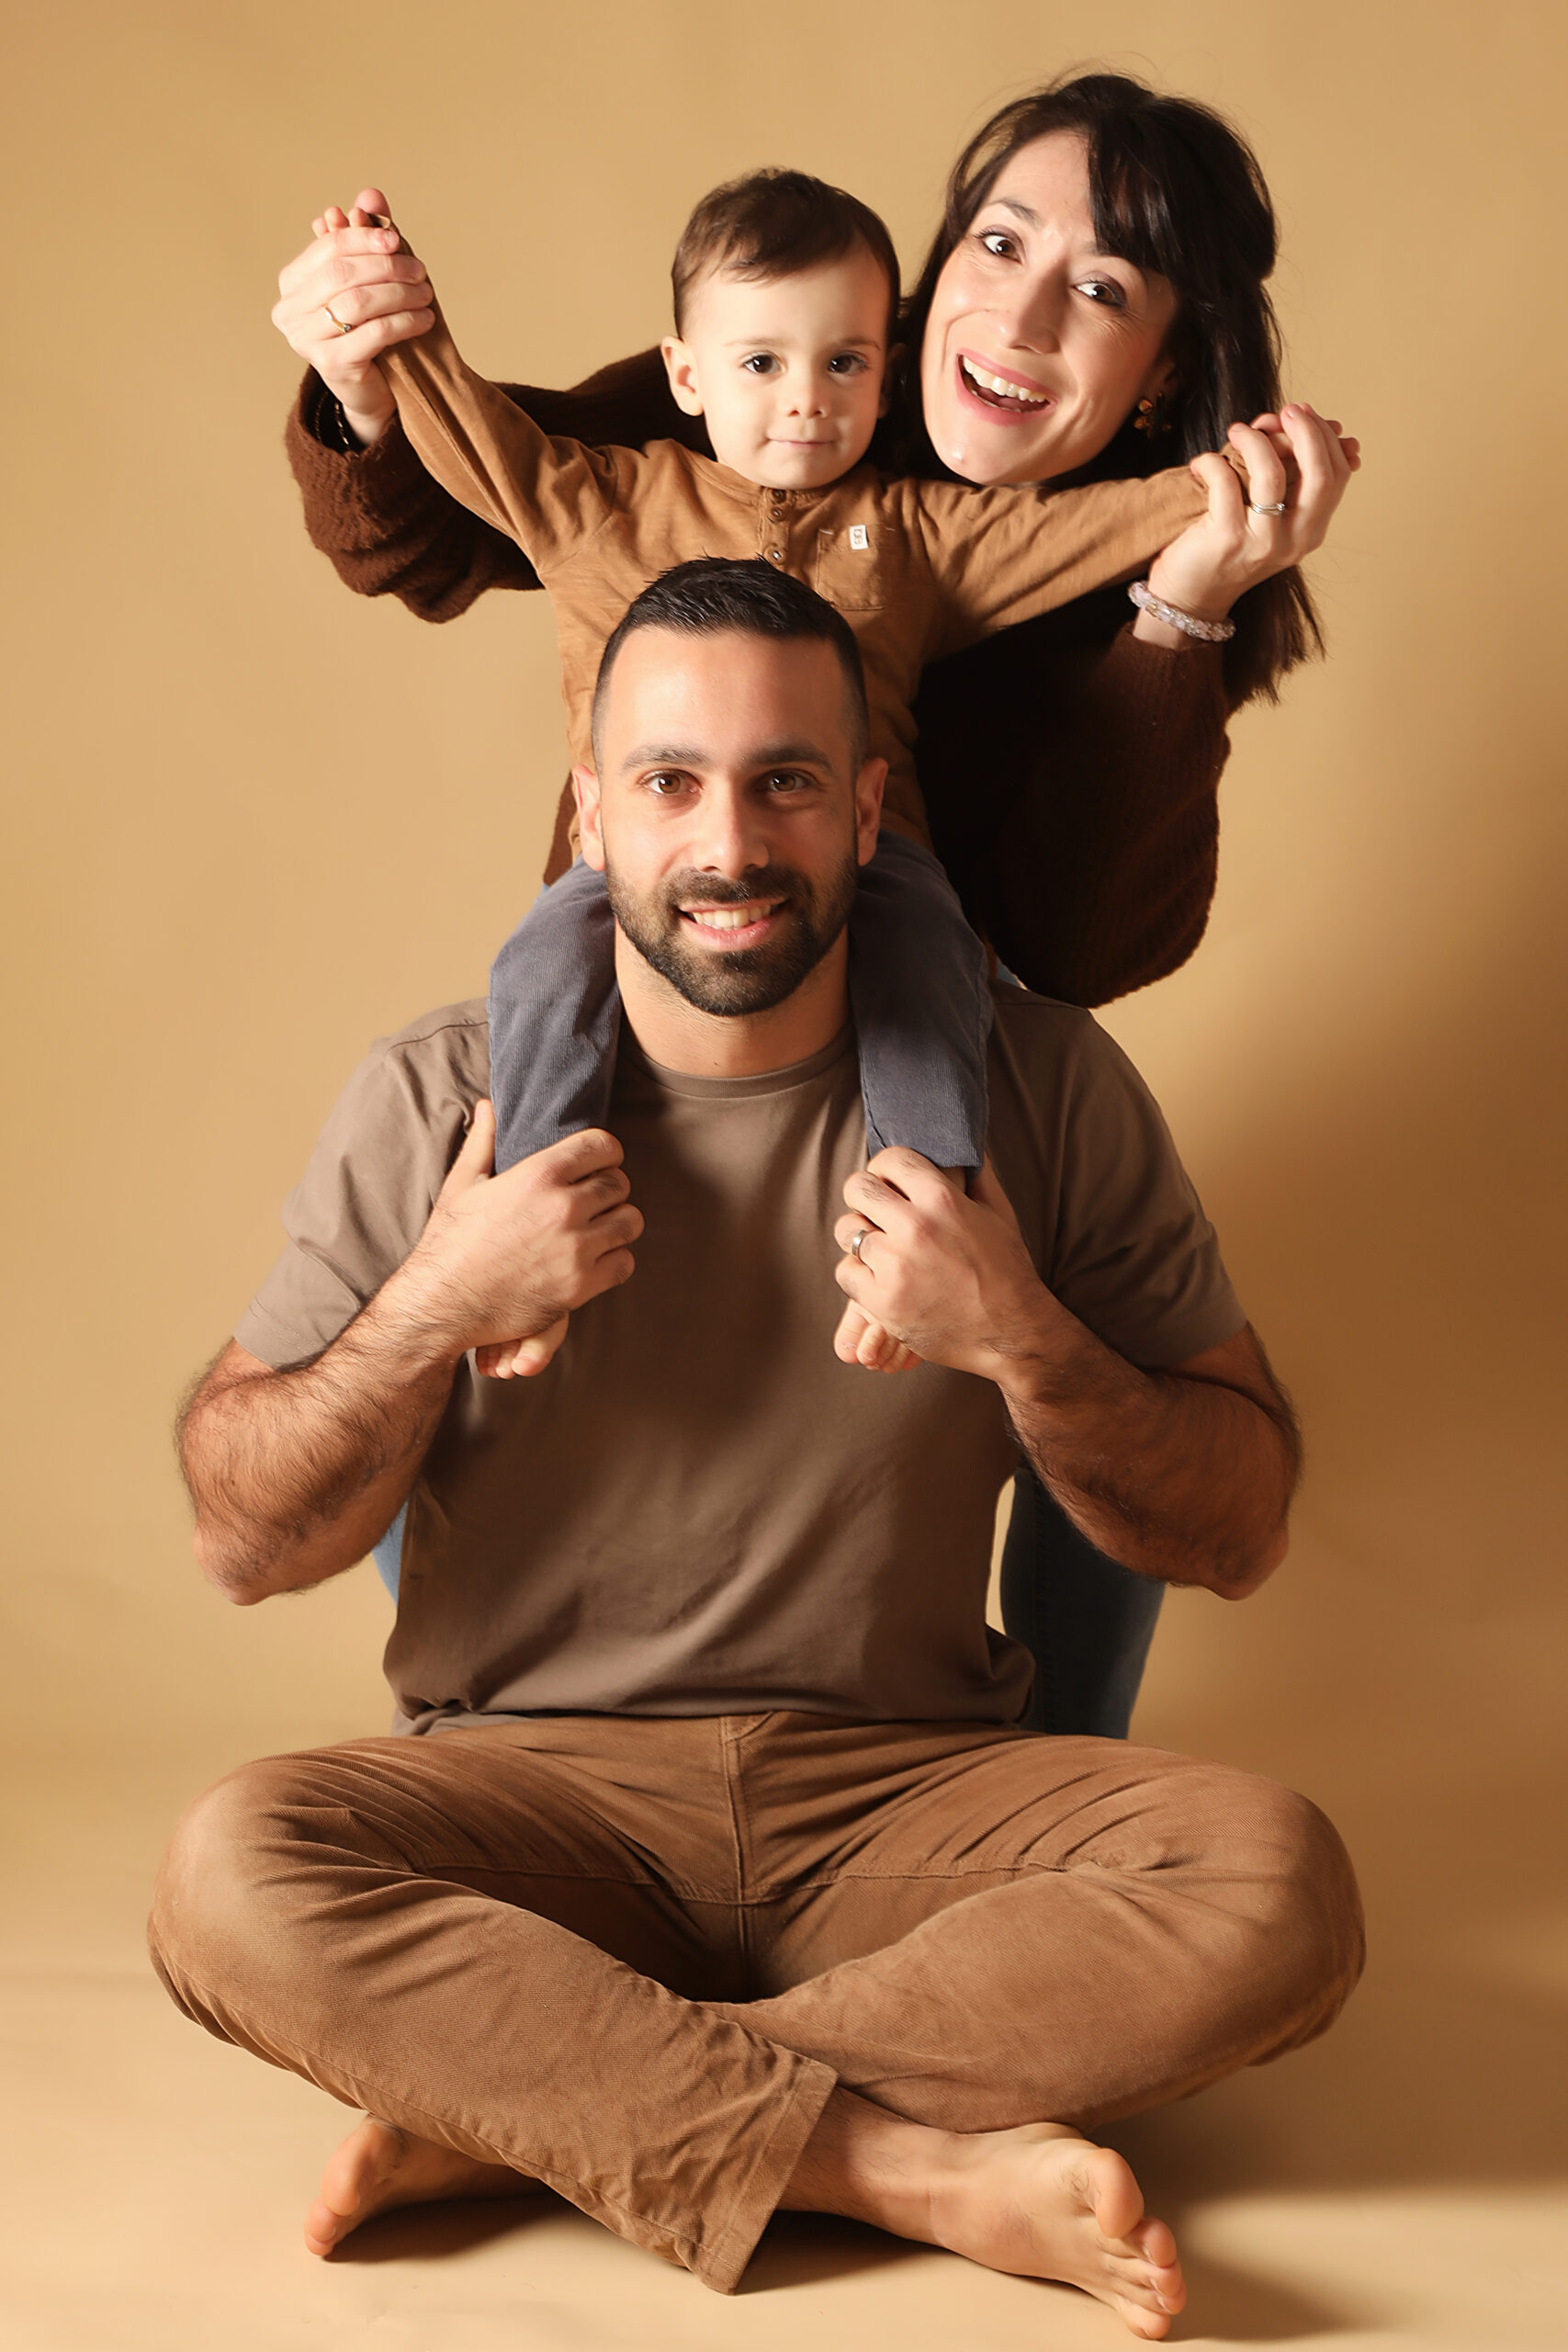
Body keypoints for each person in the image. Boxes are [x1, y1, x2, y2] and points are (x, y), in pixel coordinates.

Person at [158, 562, 1363, 2336]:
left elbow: (1240, 1523)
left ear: (867, 810)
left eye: (785, 780)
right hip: (529, 1806)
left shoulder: (1037, 1090)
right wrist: (432, 1302)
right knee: (228, 1875)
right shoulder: (439, 1100)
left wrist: (1021, 1333)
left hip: (910, 1803)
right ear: (591, 812)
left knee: (1281, 1886)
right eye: (670, 781)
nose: (730, 843)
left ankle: (526, 2114)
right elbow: (240, 1538)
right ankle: (890, 2168)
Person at [266, 72, 1360, 1731]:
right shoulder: (749, 387)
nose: (1020, 315)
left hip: (896, 1007)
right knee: (464, 1222)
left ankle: (1058, 1752)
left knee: (1070, 1291)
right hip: (657, 986)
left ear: (1160, 377)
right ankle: (486, 1698)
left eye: (1102, 287)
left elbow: (1087, 946)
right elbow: (457, 494)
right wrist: (370, 363)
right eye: (1001, 241)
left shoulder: (949, 540)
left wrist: (1190, 583)